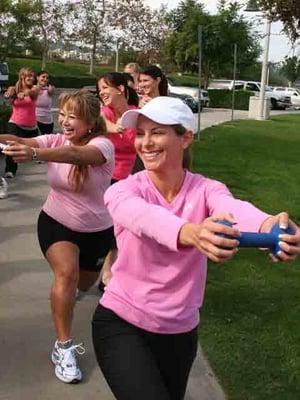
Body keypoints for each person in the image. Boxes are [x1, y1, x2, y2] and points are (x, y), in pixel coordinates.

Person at [92, 96, 300, 400]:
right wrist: (191, 232)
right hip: (122, 322)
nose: (145, 143)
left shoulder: (206, 189)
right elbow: (144, 219)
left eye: (157, 132)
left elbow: (232, 208)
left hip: (179, 332)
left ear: (186, 137)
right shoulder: (124, 190)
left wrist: (268, 224)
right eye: (140, 133)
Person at [1, 89, 115, 384]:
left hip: (98, 231)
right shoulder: (55, 139)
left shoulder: (103, 145)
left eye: (72, 117)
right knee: (66, 274)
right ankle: (63, 347)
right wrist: (12, 142)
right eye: (61, 114)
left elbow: (76, 155)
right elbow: (21, 141)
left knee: (84, 284)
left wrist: (37, 154)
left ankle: (73, 292)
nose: (64, 122)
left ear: (90, 121)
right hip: (56, 223)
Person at [97, 72, 139, 285]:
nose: (101, 92)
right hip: (104, 178)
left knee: (118, 227)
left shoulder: (136, 114)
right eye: (100, 89)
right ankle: (93, 270)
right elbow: (103, 124)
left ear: (121, 89)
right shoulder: (104, 112)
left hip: (127, 179)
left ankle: (108, 273)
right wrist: (117, 127)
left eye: (105, 87)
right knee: (103, 226)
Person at [3, 67, 39, 178]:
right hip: (15, 123)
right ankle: (10, 170)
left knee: (35, 149)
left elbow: (32, 92)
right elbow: (6, 102)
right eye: (29, 75)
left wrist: (24, 93)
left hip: (31, 127)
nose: (31, 78)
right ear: (22, 76)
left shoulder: (35, 88)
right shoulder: (14, 89)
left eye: (33, 76)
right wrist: (8, 95)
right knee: (11, 145)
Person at [36, 70, 55, 134]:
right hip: (35, 121)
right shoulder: (33, 89)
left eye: (47, 78)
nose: (45, 79)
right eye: (43, 77)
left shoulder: (49, 89)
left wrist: (50, 90)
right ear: (37, 77)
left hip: (48, 122)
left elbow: (51, 92)